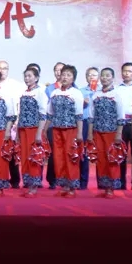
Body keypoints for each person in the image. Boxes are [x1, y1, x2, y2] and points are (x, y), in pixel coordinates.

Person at [87, 67, 125, 198]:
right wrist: (90, 134)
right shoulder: (95, 95)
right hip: (98, 132)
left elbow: (121, 117)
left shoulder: (116, 95)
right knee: (101, 160)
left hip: (112, 133)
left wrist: (119, 134)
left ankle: (111, 188)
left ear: (112, 78)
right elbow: (91, 116)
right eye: (102, 75)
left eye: (108, 75)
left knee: (112, 160)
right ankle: (104, 186)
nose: (104, 78)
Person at [47, 64, 84, 197]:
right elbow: (50, 114)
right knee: (59, 157)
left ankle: (72, 186)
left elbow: (79, 115)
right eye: (63, 74)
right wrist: (44, 130)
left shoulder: (76, 93)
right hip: (56, 129)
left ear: (73, 78)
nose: (65, 77)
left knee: (70, 157)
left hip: (71, 130)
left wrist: (79, 133)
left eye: (68, 75)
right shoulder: (54, 93)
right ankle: (64, 185)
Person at [17, 66, 48, 197]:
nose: (27, 78)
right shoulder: (24, 92)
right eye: (25, 76)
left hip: (34, 129)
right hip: (23, 129)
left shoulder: (40, 92)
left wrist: (39, 132)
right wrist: (18, 132)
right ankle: (28, 184)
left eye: (30, 76)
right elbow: (20, 113)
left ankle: (34, 186)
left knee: (34, 157)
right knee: (24, 157)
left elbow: (43, 114)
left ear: (36, 78)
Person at [0, 60, 23, 189]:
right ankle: (1, 178)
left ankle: (15, 180)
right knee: (0, 152)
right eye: (0, 68)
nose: (2, 71)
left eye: (5, 68)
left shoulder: (14, 85)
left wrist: (16, 121)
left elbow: (18, 105)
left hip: (12, 122)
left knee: (11, 152)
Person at [117, 61, 132, 191]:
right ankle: (121, 182)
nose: (127, 73)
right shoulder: (116, 88)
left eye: (129, 71)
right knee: (121, 154)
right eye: (124, 71)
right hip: (121, 125)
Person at [43, 61, 65, 189]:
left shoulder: (74, 88)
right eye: (56, 70)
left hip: (68, 126)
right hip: (52, 125)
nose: (59, 72)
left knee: (65, 153)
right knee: (53, 153)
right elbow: (47, 109)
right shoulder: (50, 89)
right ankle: (52, 179)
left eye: (61, 70)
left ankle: (65, 178)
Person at [79, 66, 99, 190]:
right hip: (85, 123)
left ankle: (103, 182)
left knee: (100, 152)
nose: (92, 77)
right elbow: (76, 108)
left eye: (94, 75)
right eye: (89, 75)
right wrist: (82, 103)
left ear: (99, 77)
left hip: (100, 123)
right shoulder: (80, 91)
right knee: (84, 152)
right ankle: (82, 181)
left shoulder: (102, 91)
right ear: (86, 77)